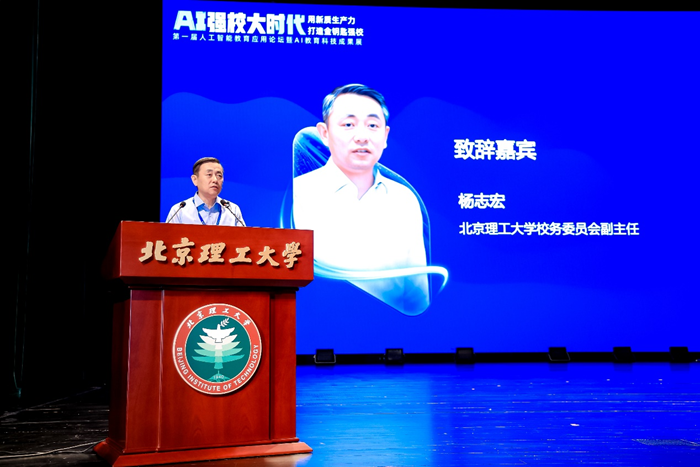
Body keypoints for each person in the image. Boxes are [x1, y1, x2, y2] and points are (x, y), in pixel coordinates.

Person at [293, 84, 429, 315]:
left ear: (385, 136)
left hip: (395, 330)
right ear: (324, 133)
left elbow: (416, 297)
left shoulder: (405, 200)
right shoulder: (300, 193)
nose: (362, 137)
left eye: (373, 125)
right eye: (348, 125)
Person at [166, 157, 245, 226]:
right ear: (195, 180)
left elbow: (244, 237)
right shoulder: (180, 210)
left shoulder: (232, 210)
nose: (215, 180)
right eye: (209, 175)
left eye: (219, 176)